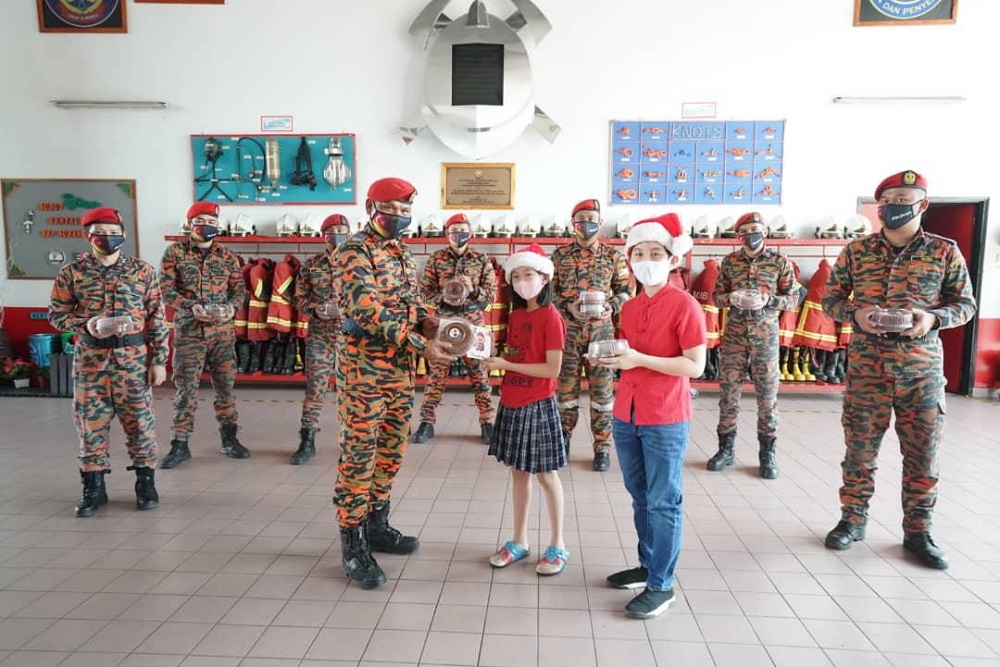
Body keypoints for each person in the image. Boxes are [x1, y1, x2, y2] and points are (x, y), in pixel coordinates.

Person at [822, 170, 976, 570]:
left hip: (921, 372)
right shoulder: (857, 251)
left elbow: (965, 304)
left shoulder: (944, 252)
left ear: (922, 205)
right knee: (859, 452)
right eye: (888, 199)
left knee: (923, 454)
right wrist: (857, 313)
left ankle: (918, 532)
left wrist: (932, 319)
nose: (894, 205)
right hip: (867, 369)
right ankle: (852, 521)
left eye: (904, 198)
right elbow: (831, 300)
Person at [334, 177, 456, 589]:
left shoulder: (401, 252)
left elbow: (411, 298)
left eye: (406, 212)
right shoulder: (354, 250)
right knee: (359, 454)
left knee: (390, 450)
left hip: (400, 369)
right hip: (364, 370)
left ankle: (377, 524)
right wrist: (422, 343)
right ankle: (352, 543)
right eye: (393, 210)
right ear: (372, 208)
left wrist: (432, 319)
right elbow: (365, 310)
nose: (400, 218)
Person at [596, 213, 706, 620]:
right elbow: (630, 360)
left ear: (671, 258)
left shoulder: (685, 305)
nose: (645, 259)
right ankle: (647, 565)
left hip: (664, 416)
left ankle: (662, 584)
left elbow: (694, 366)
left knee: (663, 501)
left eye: (654, 253)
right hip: (627, 412)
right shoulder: (629, 306)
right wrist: (617, 362)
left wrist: (637, 358)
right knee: (640, 496)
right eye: (638, 253)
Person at [49, 206, 169, 516]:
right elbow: (57, 315)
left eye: (114, 233)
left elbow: (157, 318)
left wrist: (159, 360)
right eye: (100, 233)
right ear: (88, 236)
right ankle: (94, 488)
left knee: (141, 424)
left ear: (124, 235)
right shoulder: (71, 273)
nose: (108, 239)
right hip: (91, 361)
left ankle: (146, 483)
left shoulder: (142, 271)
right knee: (91, 425)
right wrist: (86, 324)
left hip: (134, 360)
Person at [483, 243, 569, 576]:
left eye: (528, 275)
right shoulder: (517, 314)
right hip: (512, 400)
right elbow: (517, 354)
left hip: (538, 403)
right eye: (516, 276)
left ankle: (558, 544)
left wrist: (506, 363)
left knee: (547, 476)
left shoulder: (551, 317)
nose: (522, 282)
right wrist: (494, 357)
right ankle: (519, 540)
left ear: (544, 277)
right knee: (518, 474)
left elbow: (552, 369)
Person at [707, 211, 800, 479]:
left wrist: (768, 300)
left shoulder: (780, 262)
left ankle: (767, 454)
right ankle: (726, 450)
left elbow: (793, 299)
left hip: (765, 338)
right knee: (728, 394)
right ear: (739, 235)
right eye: (746, 230)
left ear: (765, 232)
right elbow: (717, 297)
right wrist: (732, 298)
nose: (752, 234)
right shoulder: (730, 262)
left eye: (756, 229)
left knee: (767, 397)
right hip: (735, 336)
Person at [159, 202, 250, 468]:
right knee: (185, 388)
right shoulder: (175, 252)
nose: (206, 225)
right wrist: (189, 306)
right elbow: (165, 288)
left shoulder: (227, 256)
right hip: (190, 332)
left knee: (225, 387)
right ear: (190, 223)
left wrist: (232, 307)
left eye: (211, 221)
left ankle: (229, 439)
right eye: (200, 220)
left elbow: (239, 290)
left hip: (222, 333)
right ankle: (180, 444)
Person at [551, 199, 632, 471]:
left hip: (602, 336)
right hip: (568, 334)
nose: (587, 223)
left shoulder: (613, 257)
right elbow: (548, 294)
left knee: (602, 394)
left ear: (599, 222)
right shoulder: (559, 256)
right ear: (573, 223)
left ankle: (602, 447)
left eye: (592, 218)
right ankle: (563, 440)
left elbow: (625, 291)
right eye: (581, 218)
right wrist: (568, 306)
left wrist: (612, 305)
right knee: (566, 393)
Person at [413, 212, 498, 444]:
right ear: (446, 233)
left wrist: (473, 290)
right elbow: (424, 294)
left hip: (473, 325)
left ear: (470, 233)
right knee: (436, 376)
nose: (458, 235)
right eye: (454, 230)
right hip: (444, 326)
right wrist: (443, 297)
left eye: (463, 230)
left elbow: (490, 297)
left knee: (480, 376)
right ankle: (426, 423)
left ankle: (487, 422)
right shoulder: (436, 258)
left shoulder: (481, 259)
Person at [288, 213, 352, 465]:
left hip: (353, 338)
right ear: (324, 235)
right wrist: (317, 308)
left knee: (351, 392)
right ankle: (307, 440)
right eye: (334, 230)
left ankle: (351, 443)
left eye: (343, 229)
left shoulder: (359, 262)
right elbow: (298, 298)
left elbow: (373, 299)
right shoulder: (312, 264)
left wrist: (347, 310)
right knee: (315, 389)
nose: (339, 234)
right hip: (321, 337)